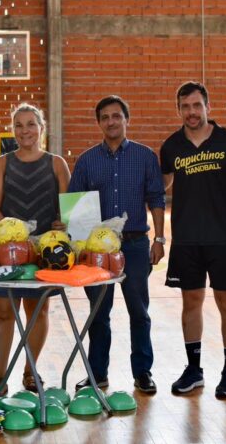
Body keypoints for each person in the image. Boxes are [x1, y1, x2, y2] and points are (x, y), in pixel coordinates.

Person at [68, 95, 166, 394]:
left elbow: (157, 200)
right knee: (99, 312)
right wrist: (78, 246)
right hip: (96, 252)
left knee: (139, 311)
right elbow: (76, 207)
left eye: (116, 116)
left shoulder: (145, 156)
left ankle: (143, 372)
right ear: (99, 123)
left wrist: (160, 238)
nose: (111, 121)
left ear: (127, 119)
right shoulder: (86, 160)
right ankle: (98, 375)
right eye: (105, 117)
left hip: (135, 245)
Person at [159, 82, 226, 397]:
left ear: (208, 107)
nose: (191, 112)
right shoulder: (171, 147)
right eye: (185, 107)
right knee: (190, 303)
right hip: (186, 239)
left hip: (224, 237)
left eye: (196, 106)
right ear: (179, 109)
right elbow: (162, 186)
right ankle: (194, 369)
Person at [0, 103, 71, 395]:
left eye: (31, 124)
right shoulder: (3, 163)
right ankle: (0, 375)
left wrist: (61, 227)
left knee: (38, 312)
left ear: (41, 128)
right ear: (13, 130)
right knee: (3, 312)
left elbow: (66, 210)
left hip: (45, 253)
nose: (25, 131)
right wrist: (14, 238)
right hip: (9, 251)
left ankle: (30, 370)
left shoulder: (56, 163)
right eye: (19, 125)